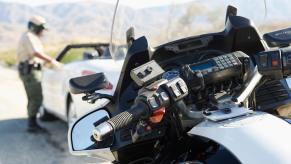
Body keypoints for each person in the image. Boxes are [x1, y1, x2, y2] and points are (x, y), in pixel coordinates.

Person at [17, 15, 60, 133]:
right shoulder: (28, 36)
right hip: (30, 71)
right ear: (35, 27)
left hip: (33, 70)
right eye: (41, 28)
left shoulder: (32, 37)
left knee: (35, 97)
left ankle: (33, 122)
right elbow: (35, 53)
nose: (42, 32)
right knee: (35, 98)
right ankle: (32, 124)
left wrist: (45, 64)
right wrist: (51, 61)